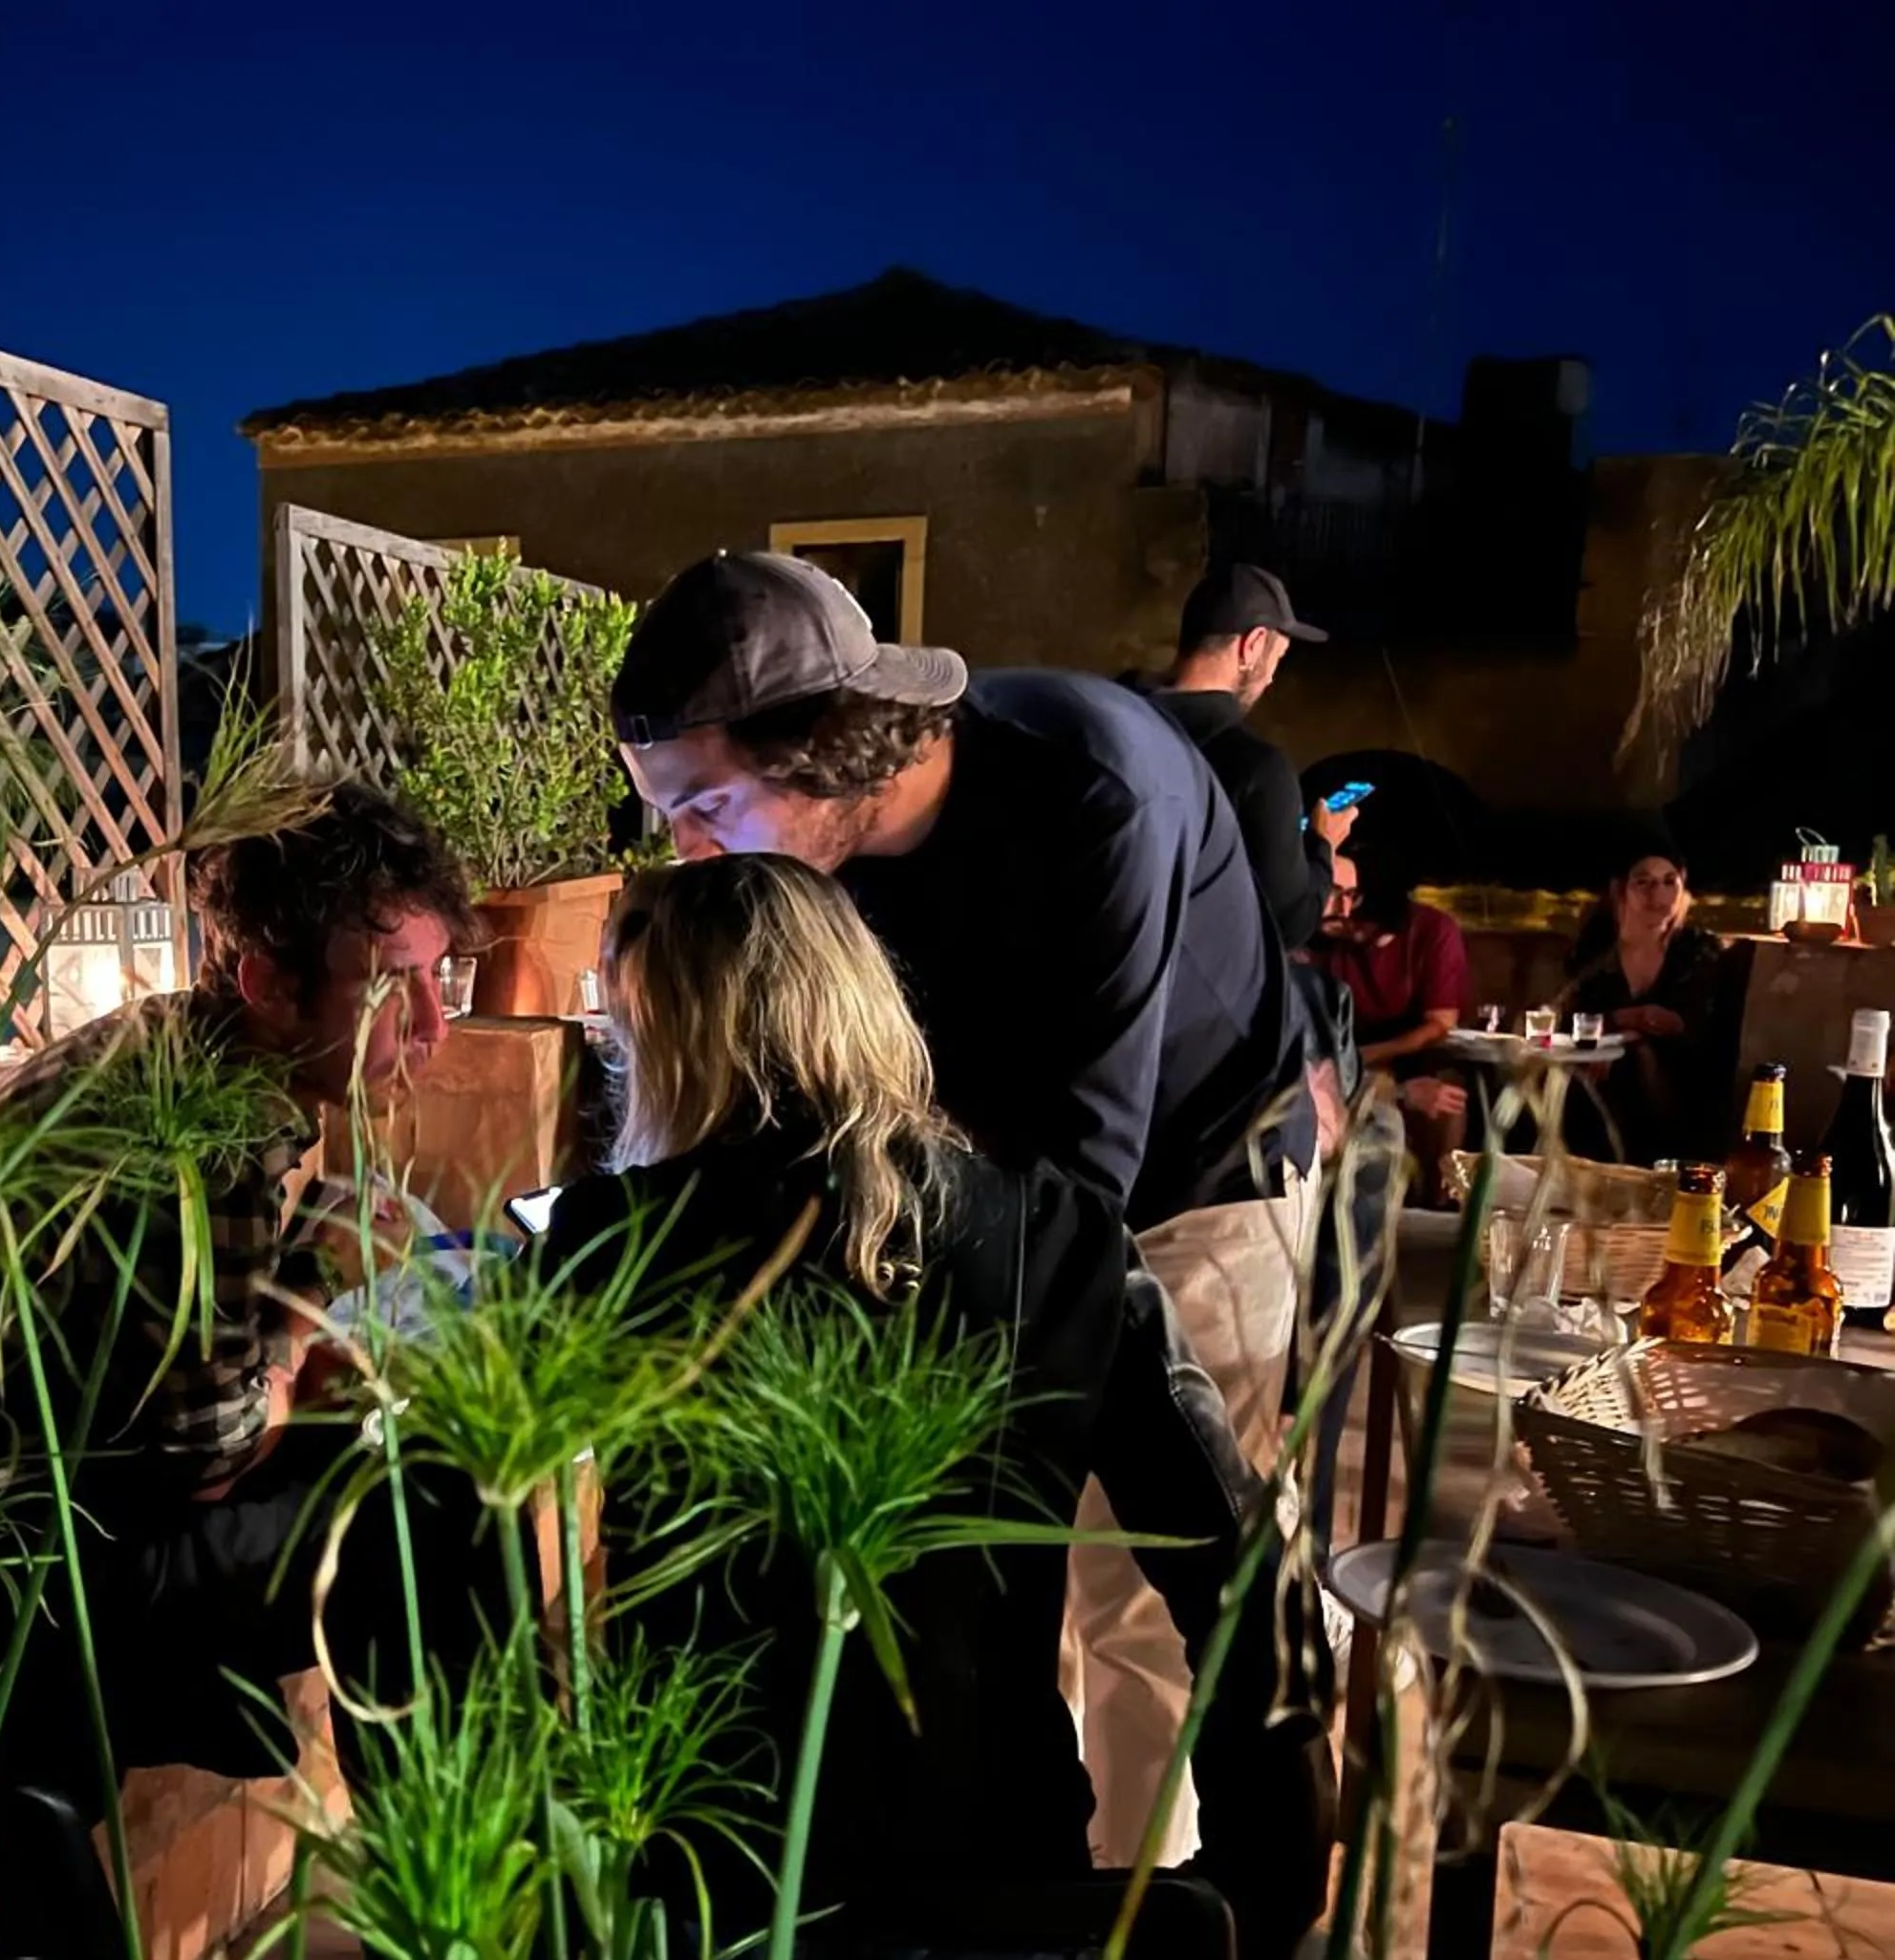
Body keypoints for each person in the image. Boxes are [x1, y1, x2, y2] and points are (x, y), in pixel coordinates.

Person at [538, 856, 1346, 1960]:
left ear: (674, 1036)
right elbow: (1250, 1572)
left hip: (700, 1939)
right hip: (999, 1936)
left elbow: (484, 1563)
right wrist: (1255, 1886)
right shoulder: (1060, 1239)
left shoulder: (602, 1241)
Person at [609, 549, 1331, 1885]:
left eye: (708, 801)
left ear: (823, 749)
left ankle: (1115, 1958)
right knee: (1002, 1582)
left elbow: (1081, 1193)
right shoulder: (825, 854)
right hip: (980, 1204)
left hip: (1186, 1200)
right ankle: (1003, 1886)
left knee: (1130, 1603)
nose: (691, 846)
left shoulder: (1092, 794)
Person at [0, 784, 497, 1794]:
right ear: (269, 982)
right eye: (392, 986)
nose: (432, 1027)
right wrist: (311, 1311)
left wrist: (303, 1303)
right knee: (423, 1502)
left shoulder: (172, 1044)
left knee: (400, 1462)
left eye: (441, 978)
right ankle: (449, 1867)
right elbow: (212, 1457)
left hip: (58, 1505)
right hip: (13, 1570)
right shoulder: (211, 1136)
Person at [1152, 563, 1355, 953]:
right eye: (1278, 658)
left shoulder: (1111, 717)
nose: (1272, 679)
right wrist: (1323, 847)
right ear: (1252, 645)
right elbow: (1287, 923)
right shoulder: (1258, 769)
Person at [1561, 830, 1733, 1164]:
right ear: (1619, 889)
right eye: (1644, 882)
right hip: (1598, 1069)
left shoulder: (1697, 949)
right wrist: (1628, 1026)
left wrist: (1625, 1033)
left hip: (1682, 1075)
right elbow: (1576, 1020)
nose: (1659, 895)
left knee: (1632, 1066)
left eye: (1670, 882)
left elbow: (1686, 1025)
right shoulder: (1593, 951)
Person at [1309, 847, 1471, 1186]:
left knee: (1448, 1094)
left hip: (1411, 1051)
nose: (1355, 933)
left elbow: (1440, 1024)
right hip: (1337, 1053)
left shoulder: (1433, 930)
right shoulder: (1321, 936)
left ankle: (1439, 1202)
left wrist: (1368, 1059)